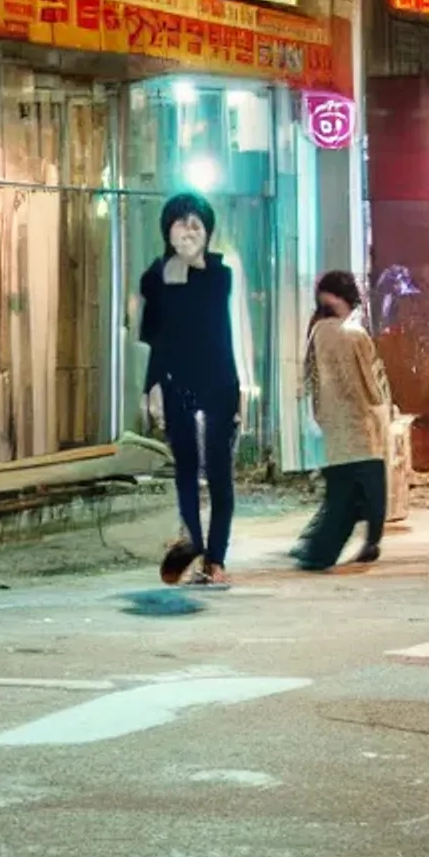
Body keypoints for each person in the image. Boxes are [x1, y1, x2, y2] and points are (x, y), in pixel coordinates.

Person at [139, 193, 240, 587]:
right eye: (180, 224)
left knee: (218, 472)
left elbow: (219, 326)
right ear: (167, 230)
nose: (188, 232)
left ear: (208, 233)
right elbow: (153, 335)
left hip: (217, 379)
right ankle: (193, 543)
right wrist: (151, 386)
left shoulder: (219, 274)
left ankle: (215, 559)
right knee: (183, 468)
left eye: (196, 225)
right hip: (174, 380)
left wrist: (239, 392)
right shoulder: (155, 277)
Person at [293, 270, 388, 572]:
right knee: (365, 490)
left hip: (333, 424)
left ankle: (319, 549)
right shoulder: (351, 333)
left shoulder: (317, 330)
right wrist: (382, 409)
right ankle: (344, 546)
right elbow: (371, 384)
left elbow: (308, 378)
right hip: (359, 424)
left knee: (341, 493)